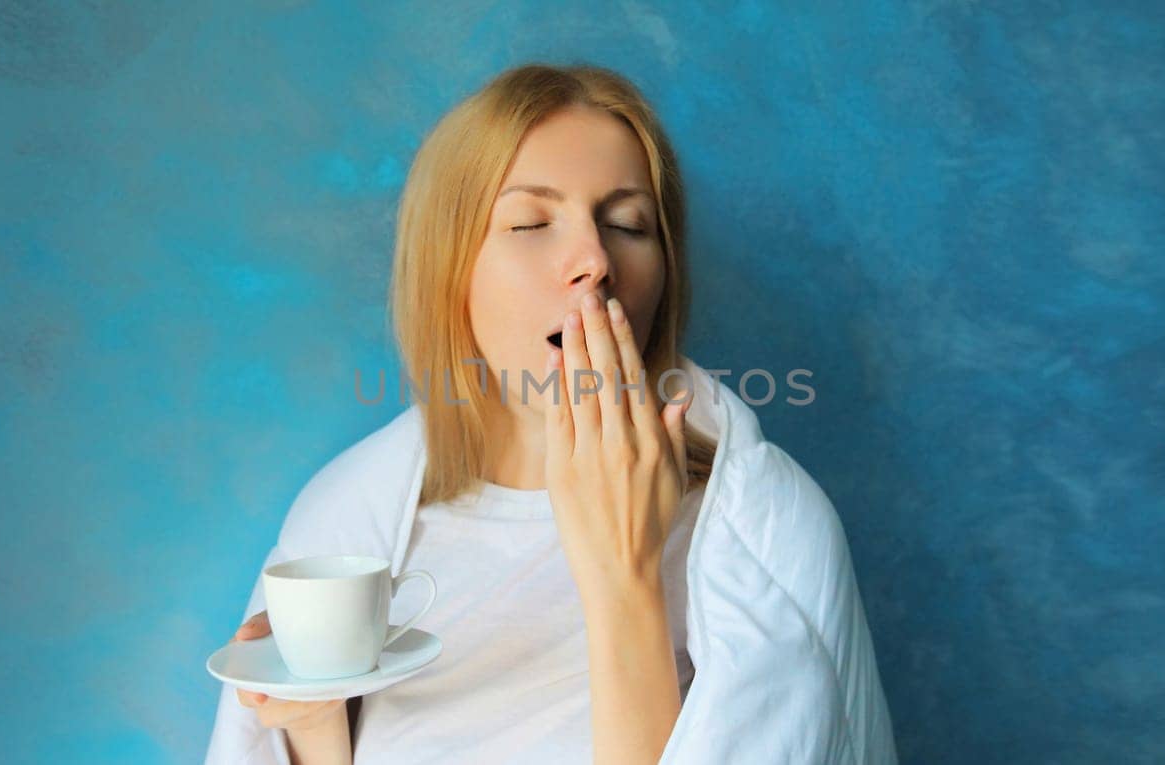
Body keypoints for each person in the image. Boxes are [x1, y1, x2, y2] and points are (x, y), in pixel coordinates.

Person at [204, 62, 898, 764]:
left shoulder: (764, 528)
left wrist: (624, 575)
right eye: (531, 221)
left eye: (629, 224)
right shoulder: (345, 519)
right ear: (449, 268)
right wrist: (316, 727)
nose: (595, 259)